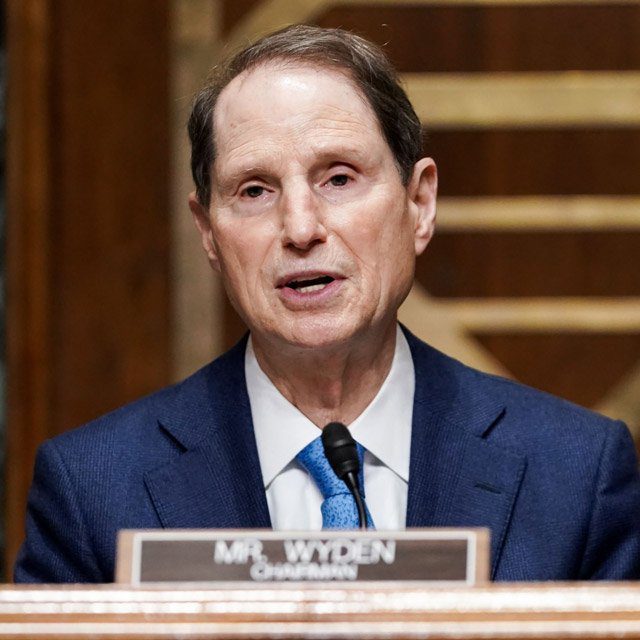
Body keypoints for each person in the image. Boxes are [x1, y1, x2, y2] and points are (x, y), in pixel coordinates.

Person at [14, 25, 640, 584]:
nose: (301, 227)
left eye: (338, 178)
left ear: (419, 204)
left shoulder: (575, 472)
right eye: (255, 190)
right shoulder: (92, 489)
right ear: (208, 232)